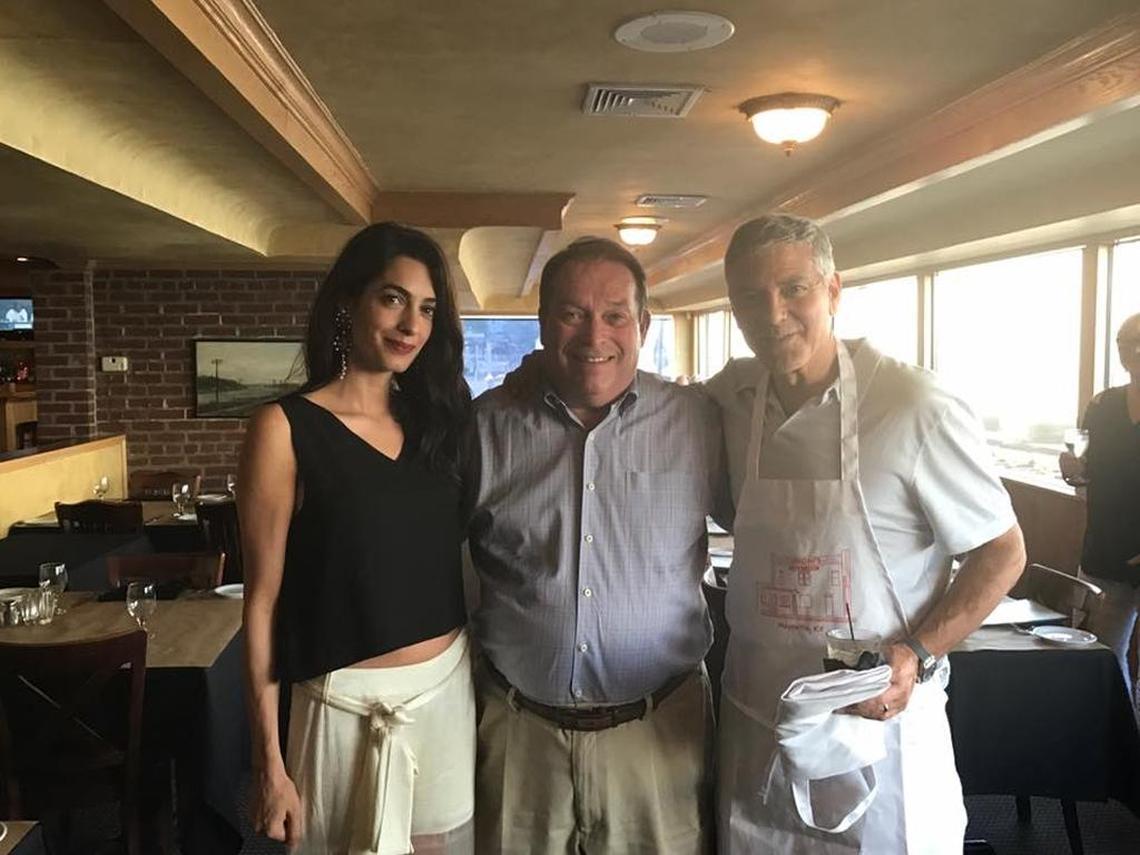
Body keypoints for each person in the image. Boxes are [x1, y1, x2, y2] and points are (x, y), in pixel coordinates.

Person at [708, 213, 1026, 853]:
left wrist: (917, 651)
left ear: (833, 291)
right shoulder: (729, 400)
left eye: (794, 289)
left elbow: (1002, 551)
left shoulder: (914, 405)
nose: (772, 314)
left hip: (879, 731)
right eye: (750, 296)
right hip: (759, 722)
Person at [468, 237, 726, 854]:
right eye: (571, 313)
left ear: (643, 323)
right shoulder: (484, 428)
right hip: (517, 734)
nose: (594, 336)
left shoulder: (701, 423)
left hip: (658, 735)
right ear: (541, 324)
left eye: (614, 315)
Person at [239, 222, 475, 854]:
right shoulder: (284, 428)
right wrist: (268, 762)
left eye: (427, 309)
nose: (411, 326)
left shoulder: (443, 422)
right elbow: (261, 601)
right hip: (340, 708)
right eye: (393, 298)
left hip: (447, 694)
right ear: (348, 301)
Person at [1060, 312, 1140, 699]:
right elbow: (1089, 472)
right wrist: (1075, 472)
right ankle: (1120, 739)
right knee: (1102, 656)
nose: (1135, 349)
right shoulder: (1104, 404)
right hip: (1106, 552)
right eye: (1126, 341)